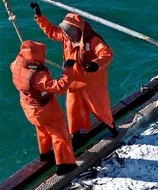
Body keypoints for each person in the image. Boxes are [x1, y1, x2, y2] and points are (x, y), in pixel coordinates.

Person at [30, 2, 118, 146]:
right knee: (73, 109)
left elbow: (106, 54)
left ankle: (111, 127)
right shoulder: (66, 37)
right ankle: (75, 135)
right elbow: (51, 30)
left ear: (78, 30)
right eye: (65, 30)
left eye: (69, 30)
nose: (66, 33)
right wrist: (39, 16)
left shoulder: (93, 40)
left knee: (99, 108)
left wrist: (96, 63)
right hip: (73, 81)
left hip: (92, 83)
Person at [10, 40, 77, 175]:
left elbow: (22, 57)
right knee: (59, 135)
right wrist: (68, 69)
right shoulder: (38, 76)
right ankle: (64, 164)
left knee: (42, 131)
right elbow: (60, 87)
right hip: (45, 110)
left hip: (29, 107)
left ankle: (45, 154)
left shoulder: (16, 65)